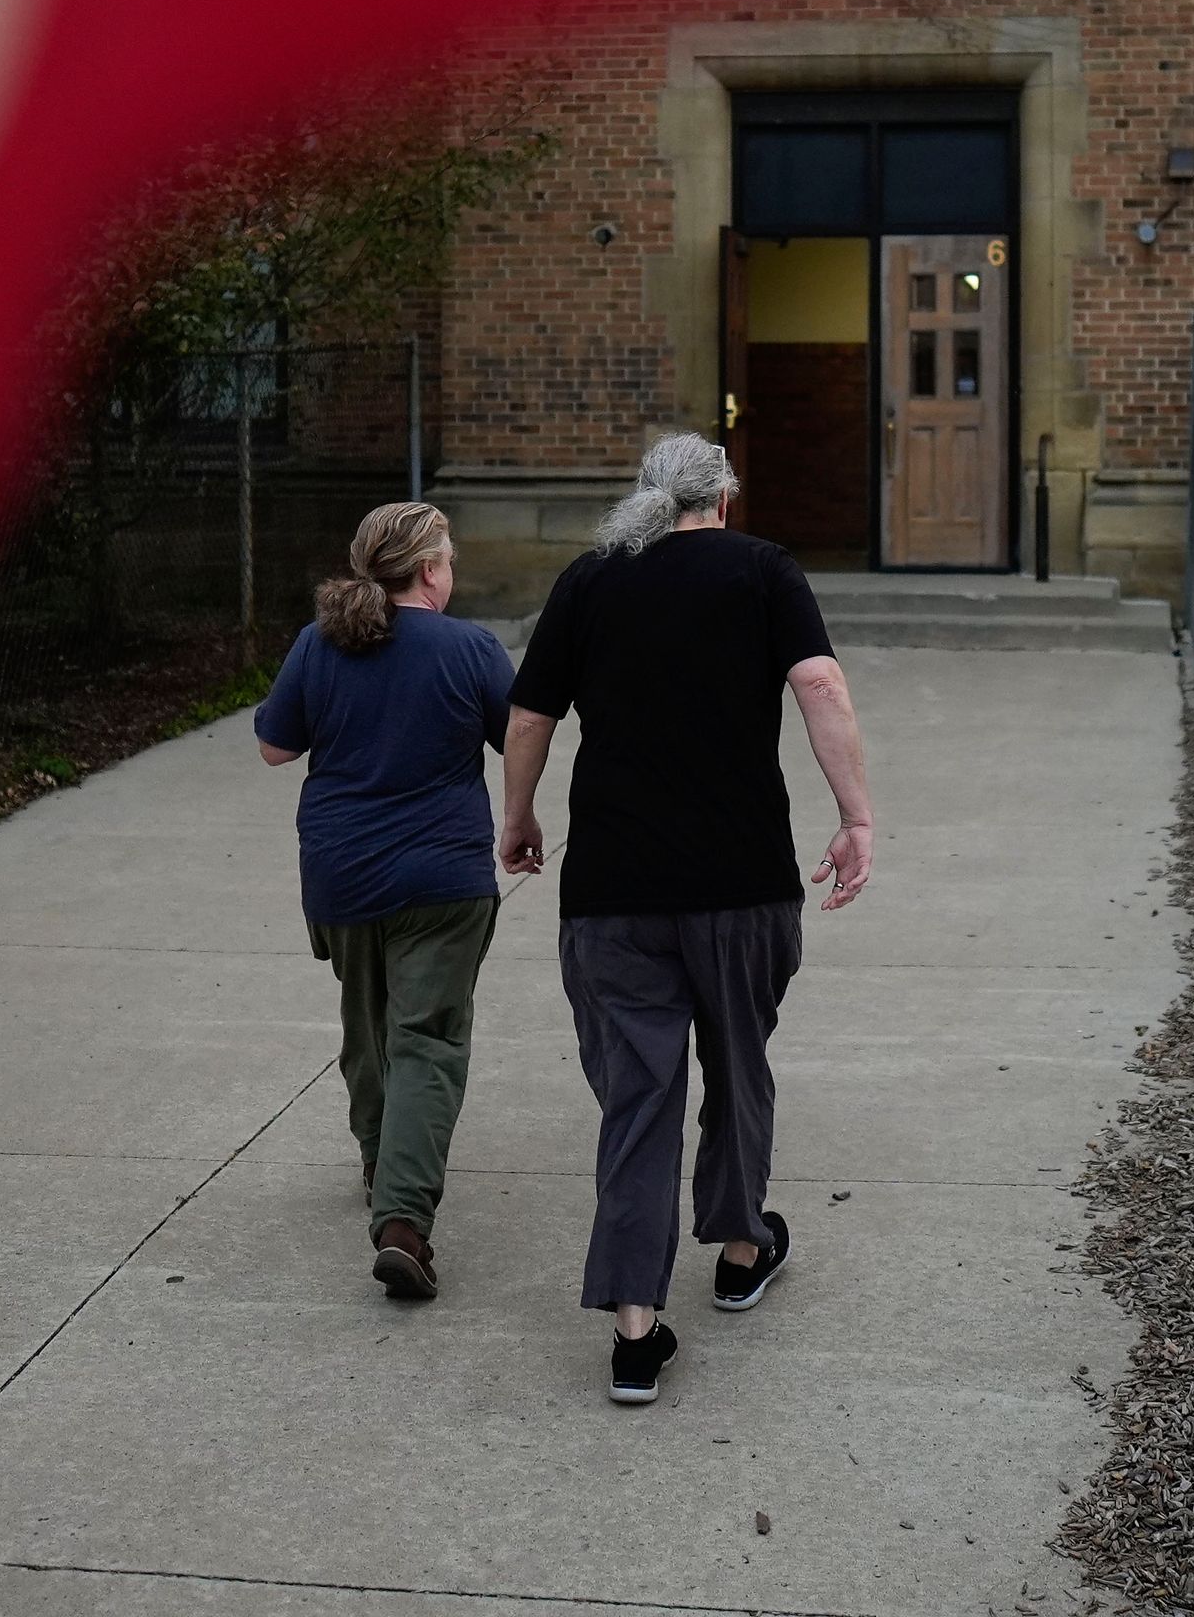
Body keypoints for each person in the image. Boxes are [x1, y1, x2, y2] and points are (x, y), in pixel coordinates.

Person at [499, 431, 875, 1405]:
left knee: (639, 1094)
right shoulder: (763, 572)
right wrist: (856, 816)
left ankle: (634, 1330)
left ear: (649, 496)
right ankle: (743, 1248)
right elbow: (820, 683)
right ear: (724, 496)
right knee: (739, 1060)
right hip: (742, 883)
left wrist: (520, 815)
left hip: (615, 893)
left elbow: (531, 715)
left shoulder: (592, 580)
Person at [253, 501, 513, 1303]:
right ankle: (403, 1220)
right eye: (450, 560)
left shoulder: (320, 642)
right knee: (427, 1040)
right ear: (429, 569)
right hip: (442, 880)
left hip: (342, 874)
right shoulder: (471, 647)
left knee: (369, 1031)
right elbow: (522, 734)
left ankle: (380, 1160)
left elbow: (274, 744)